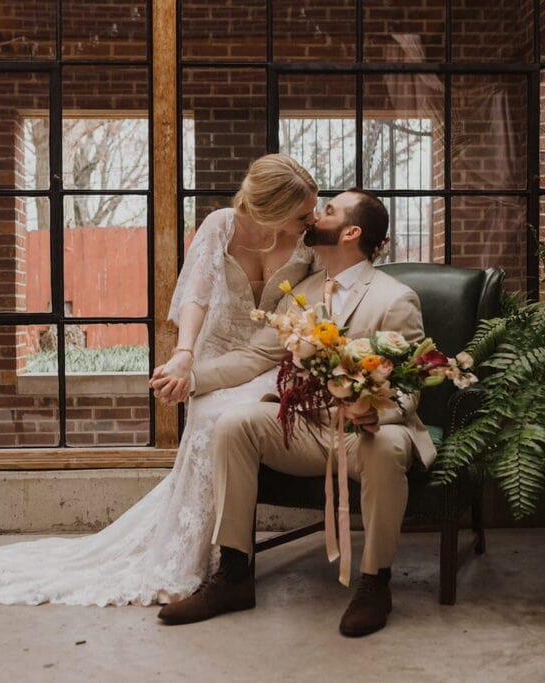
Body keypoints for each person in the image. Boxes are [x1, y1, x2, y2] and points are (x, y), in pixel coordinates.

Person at [0, 154, 318, 606]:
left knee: (235, 419)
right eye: (302, 212)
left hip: (268, 361)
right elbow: (195, 293)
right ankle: (201, 559)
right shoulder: (222, 226)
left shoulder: (310, 243)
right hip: (213, 352)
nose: (311, 218)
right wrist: (184, 356)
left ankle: (230, 565)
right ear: (270, 214)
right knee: (210, 415)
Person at [155, 189, 436, 637]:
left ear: (351, 231)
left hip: (365, 433)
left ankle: (374, 583)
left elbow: (409, 387)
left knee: (386, 446)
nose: (315, 215)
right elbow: (254, 356)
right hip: (308, 431)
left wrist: (374, 413)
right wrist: (189, 377)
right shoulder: (301, 293)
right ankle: (233, 575)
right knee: (235, 424)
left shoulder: (394, 299)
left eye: (328, 210)